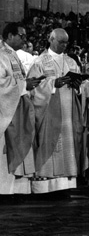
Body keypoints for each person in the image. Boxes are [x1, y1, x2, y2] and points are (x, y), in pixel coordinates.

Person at [27, 28, 84, 195]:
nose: (64, 46)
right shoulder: (40, 62)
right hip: (48, 110)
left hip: (68, 109)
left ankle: (65, 185)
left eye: (66, 42)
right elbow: (33, 87)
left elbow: (81, 84)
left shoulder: (71, 62)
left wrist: (77, 85)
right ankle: (45, 187)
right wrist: (53, 84)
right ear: (50, 40)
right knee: (49, 143)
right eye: (61, 42)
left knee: (68, 144)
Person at [0, 23, 40, 195]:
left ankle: (16, 190)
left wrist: (28, 85)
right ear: (9, 36)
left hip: (18, 106)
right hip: (6, 111)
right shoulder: (2, 55)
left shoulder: (13, 55)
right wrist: (25, 84)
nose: (25, 40)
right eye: (21, 36)